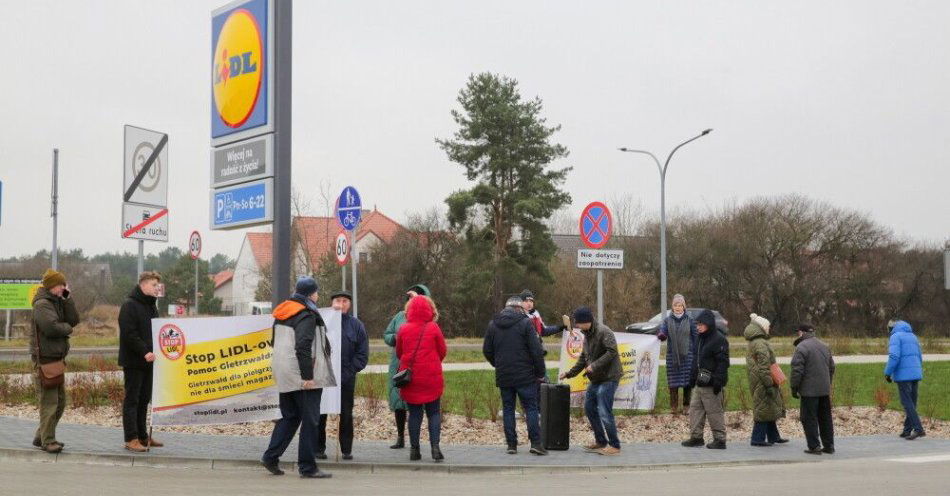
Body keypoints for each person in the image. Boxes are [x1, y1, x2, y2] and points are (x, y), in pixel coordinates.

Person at [261, 277, 334, 479]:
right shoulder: (307, 314)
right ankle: (308, 467)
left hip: (284, 371)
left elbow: (274, 341)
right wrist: (307, 377)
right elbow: (303, 346)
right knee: (310, 420)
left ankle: (270, 457)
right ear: (311, 294)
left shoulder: (283, 312)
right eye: (317, 292)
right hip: (301, 374)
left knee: (290, 416)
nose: (318, 296)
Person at [483, 296, 548, 456]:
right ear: (519, 309)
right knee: (531, 408)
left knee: (508, 409)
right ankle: (536, 443)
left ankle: (511, 445)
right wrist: (540, 373)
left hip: (504, 375)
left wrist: (497, 364)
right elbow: (536, 351)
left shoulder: (493, 324)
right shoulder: (525, 323)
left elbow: (487, 350)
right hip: (525, 375)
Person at [558, 307, 623, 456]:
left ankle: (615, 446)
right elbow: (583, 358)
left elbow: (612, 352)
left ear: (587, 321)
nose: (577, 326)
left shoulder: (604, 332)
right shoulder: (587, 334)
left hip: (609, 377)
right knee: (589, 408)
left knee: (605, 412)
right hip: (597, 378)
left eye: (579, 323)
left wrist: (594, 365)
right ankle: (601, 441)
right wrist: (569, 374)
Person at [30, 268, 79, 454]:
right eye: (61, 285)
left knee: (60, 402)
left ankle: (41, 436)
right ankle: (47, 441)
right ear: (52, 286)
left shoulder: (57, 301)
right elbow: (51, 328)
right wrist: (67, 328)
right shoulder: (42, 304)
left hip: (56, 359)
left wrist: (68, 298)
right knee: (49, 403)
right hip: (45, 360)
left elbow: (73, 320)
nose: (63, 288)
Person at [316, 290, 368, 461]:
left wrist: (347, 372)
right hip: (323, 376)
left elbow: (362, 355)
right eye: (337, 300)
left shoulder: (356, 325)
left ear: (349, 304)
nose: (341, 303)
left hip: (346, 378)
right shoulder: (320, 322)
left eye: (345, 301)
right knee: (320, 412)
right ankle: (318, 448)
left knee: (345, 413)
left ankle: (346, 449)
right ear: (331, 303)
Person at [396, 295, 447, 462]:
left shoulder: (403, 329)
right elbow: (442, 351)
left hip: (411, 379)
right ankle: (435, 448)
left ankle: (414, 450)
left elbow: (399, 353)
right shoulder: (433, 328)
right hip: (431, 377)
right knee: (433, 413)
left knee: (415, 414)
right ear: (429, 309)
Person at [118, 271, 163, 452]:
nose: (157, 289)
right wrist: (145, 352)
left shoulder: (151, 306)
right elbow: (129, 334)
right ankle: (131, 438)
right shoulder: (130, 306)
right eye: (154, 285)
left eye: (158, 286)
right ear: (143, 285)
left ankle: (143, 436)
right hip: (134, 361)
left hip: (149, 361)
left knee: (144, 399)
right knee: (132, 400)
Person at [384, 284, 431, 450]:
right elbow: (387, 334)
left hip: (418, 365)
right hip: (398, 364)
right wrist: (396, 338)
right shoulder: (399, 316)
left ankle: (415, 441)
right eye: (410, 298)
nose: (412, 301)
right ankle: (400, 437)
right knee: (398, 403)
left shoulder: (428, 318)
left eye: (416, 298)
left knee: (415, 404)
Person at [682, 309, 730, 449]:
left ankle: (720, 439)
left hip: (712, 383)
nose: (698, 327)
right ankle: (696, 437)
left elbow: (723, 363)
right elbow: (695, 360)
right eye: (697, 324)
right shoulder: (700, 339)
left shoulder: (719, 340)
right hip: (699, 382)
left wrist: (718, 382)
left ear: (708, 324)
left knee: (714, 411)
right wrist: (692, 378)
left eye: (701, 324)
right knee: (695, 410)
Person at [791, 324, 835, 454]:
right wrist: (828, 383)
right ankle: (829, 446)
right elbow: (832, 367)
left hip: (809, 391)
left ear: (801, 333)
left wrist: (794, 388)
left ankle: (814, 446)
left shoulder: (801, 347)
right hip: (824, 389)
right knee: (825, 418)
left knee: (809, 418)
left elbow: (797, 371)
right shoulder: (824, 346)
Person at [744, 313, 788, 447]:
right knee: (763, 409)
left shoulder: (755, 342)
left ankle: (774, 436)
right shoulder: (761, 344)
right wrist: (769, 384)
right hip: (763, 381)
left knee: (768, 407)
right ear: (761, 327)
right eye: (767, 327)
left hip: (758, 380)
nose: (769, 329)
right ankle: (757, 439)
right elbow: (764, 367)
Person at [656, 294, 698, 414]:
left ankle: (686, 407)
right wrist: (662, 335)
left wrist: (696, 353)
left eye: (680, 305)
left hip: (688, 357)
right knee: (673, 384)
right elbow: (663, 332)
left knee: (687, 384)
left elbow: (695, 337)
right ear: (672, 307)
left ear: (684, 307)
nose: (678, 307)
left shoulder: (690, 320)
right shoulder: (667, 320)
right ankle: (673, 408)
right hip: (672, 357)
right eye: (675, 305)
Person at [884, 319, 925, 440]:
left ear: (891, 328)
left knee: (906, 402)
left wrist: (887, 373)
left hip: (903, 375)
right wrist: (917, 370)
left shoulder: (895, 337)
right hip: (915, 373)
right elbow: (919, 355)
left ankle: (918, 429)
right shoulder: (913, 336)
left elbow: (894, 356)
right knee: (912, 402)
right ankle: (907, 430)